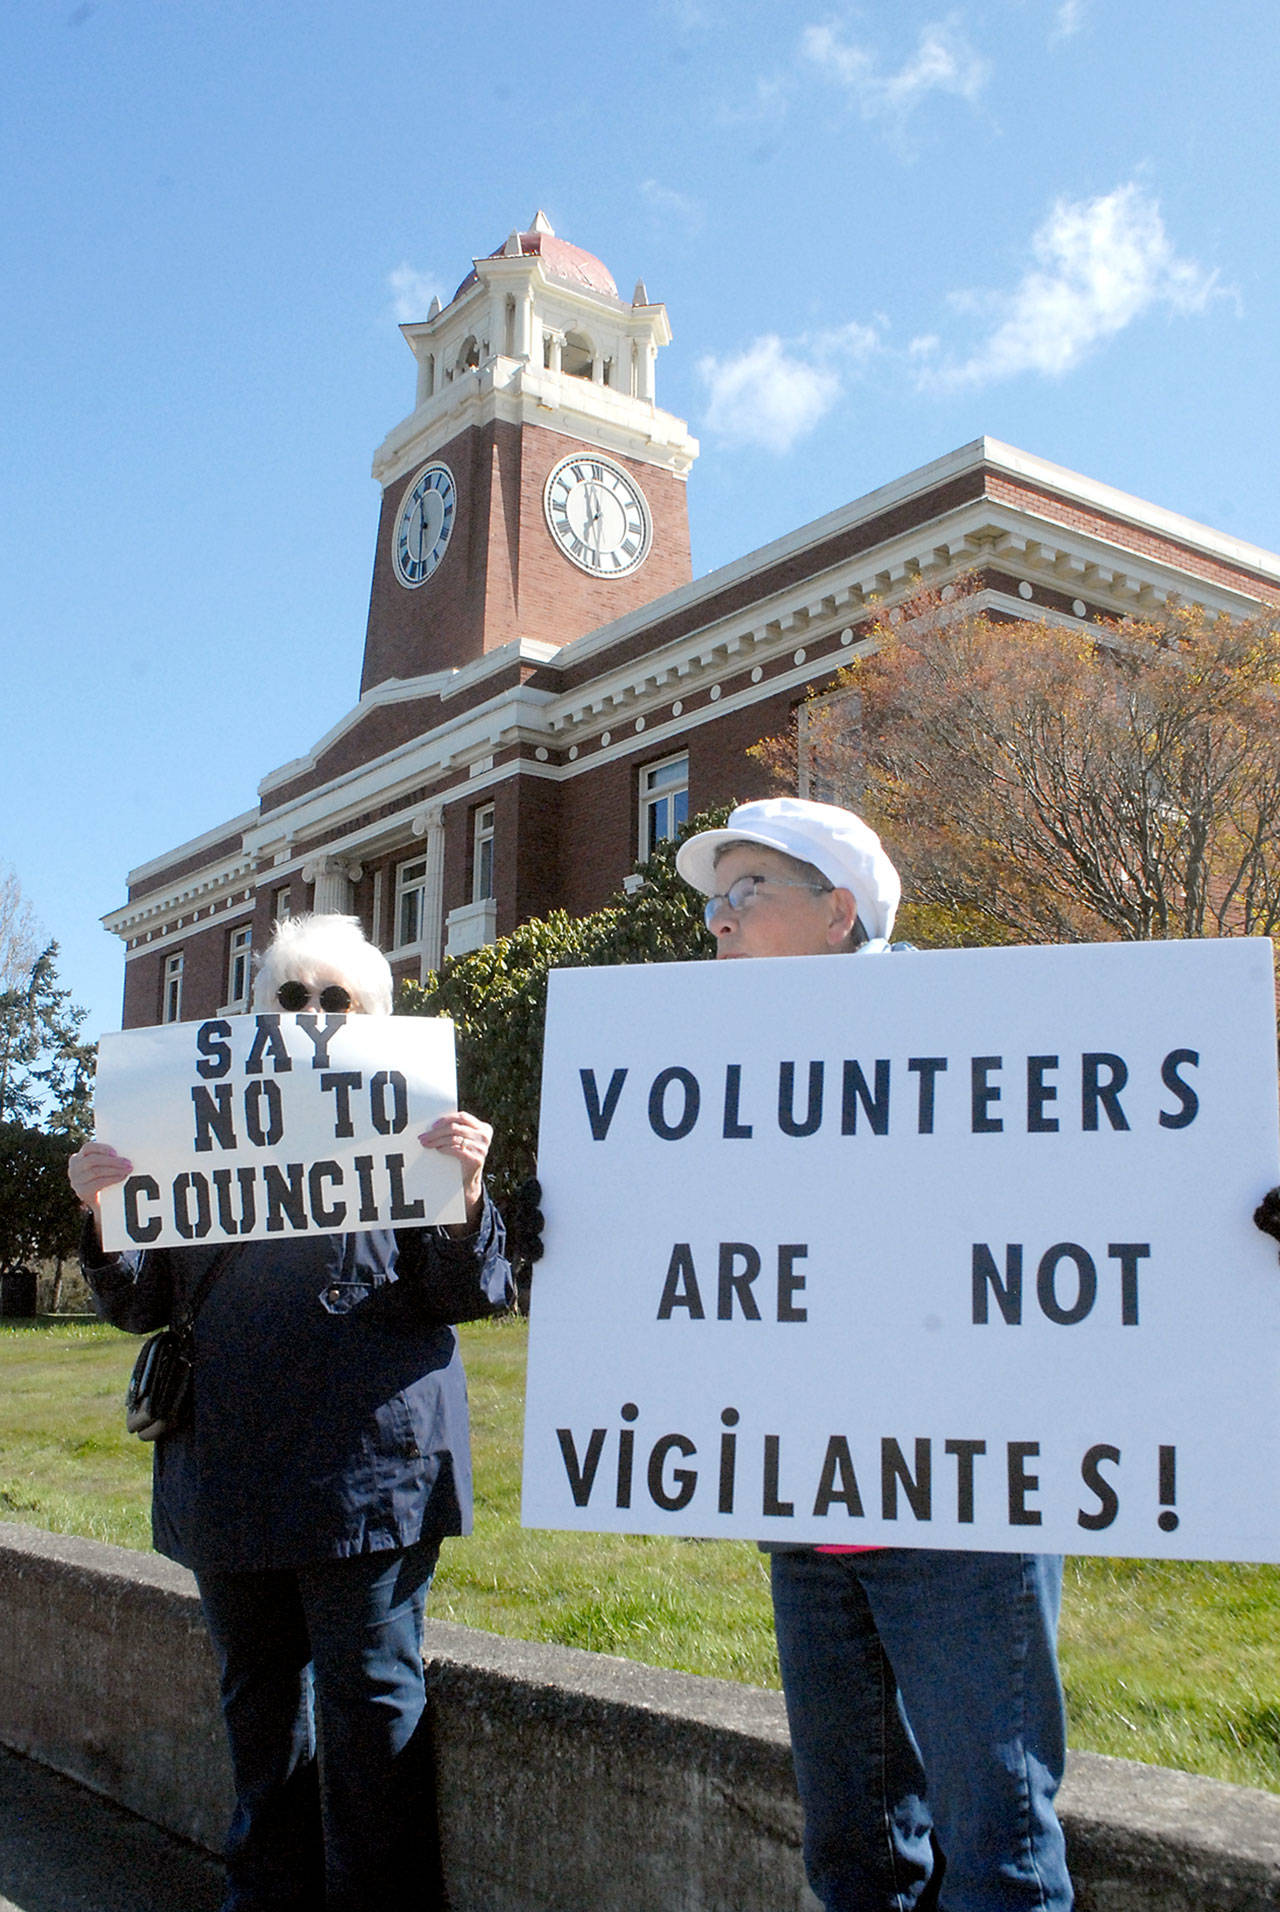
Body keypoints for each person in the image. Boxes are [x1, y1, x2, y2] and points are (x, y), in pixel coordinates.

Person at [68, 913, 514, 1912]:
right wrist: (103, 1214)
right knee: (259, 1706)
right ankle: (264, 1894)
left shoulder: (416, 1126)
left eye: (335, 1002)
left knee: (369, 1707)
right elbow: (140, 1302)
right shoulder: (185, 1130)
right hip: (229, 1466)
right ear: (257, 1016)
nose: (310, 1018)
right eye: (291, 998)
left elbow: (468, 1291)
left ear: (375, 1020)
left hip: (371, 1471)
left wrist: (465, 1188)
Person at [675, 799, 1073, 1912]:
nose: (717, 922)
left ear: (839, 909)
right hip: (805, 1513)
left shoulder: (976, 1035)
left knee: (994, 1845)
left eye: (746, 892)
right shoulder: (710, 1079)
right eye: (714, 899)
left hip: (960, 1514)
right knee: (851, 1854)